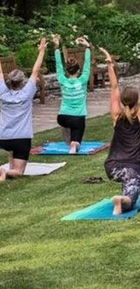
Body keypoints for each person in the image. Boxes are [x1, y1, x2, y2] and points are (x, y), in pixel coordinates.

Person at [101, 46, 140, 216]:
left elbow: (113, 87)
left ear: (123, 101)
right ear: (136, 100)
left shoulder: (116, 116)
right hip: (135, 167)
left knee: (128, 181)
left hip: (113, 167)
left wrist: (110, 64)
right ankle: (121, 201)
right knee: (131, 200)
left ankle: (122, 195)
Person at [0, 38, 47, 181]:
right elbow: (35, 70)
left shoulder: (2, 92)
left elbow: (0, 73)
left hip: (3, 137)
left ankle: (7, 169)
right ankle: (4, 171)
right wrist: (42, 50)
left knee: (12, 153)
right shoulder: (27, 93)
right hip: (22, 138)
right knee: (19, 172)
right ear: (22, 82)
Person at [52, 35, 92, 154]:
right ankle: (74, 144)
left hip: (62, 117)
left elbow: (58, 65)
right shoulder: (83, 80)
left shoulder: (62, 80)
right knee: (77, 130)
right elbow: (87, 65)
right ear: (78, 71)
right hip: (78, 118)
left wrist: (56, 47)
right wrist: (87, 47)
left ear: (67, 71)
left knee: (68, 125)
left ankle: (69, 141)